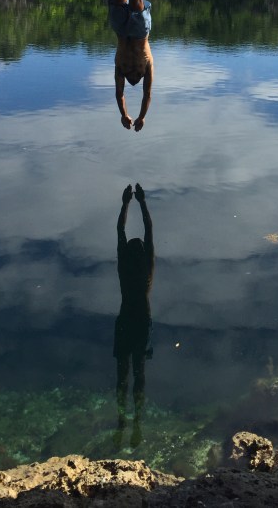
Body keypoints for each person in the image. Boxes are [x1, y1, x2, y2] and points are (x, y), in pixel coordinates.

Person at [113, 183, 155, 448]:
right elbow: (149, 230)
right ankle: (138, 420)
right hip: (141, 322)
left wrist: (125, 203)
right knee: (139, 372)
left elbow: (120, 230)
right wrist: (141, 202)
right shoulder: (147, 268)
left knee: (122, 374)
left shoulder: (124, 266)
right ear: (143, 252)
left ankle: (121, 421)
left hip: (124, 321)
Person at [105, 0, 154, 132]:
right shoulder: (148, 69)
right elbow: (148, 94)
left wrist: (124, 114)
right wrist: (142, 117)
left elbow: (119, 94)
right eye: (136, 78)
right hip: (140, 32)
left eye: (130, 79)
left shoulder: (120, 70)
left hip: (121, 30)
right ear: (139, 77)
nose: (133, 78)